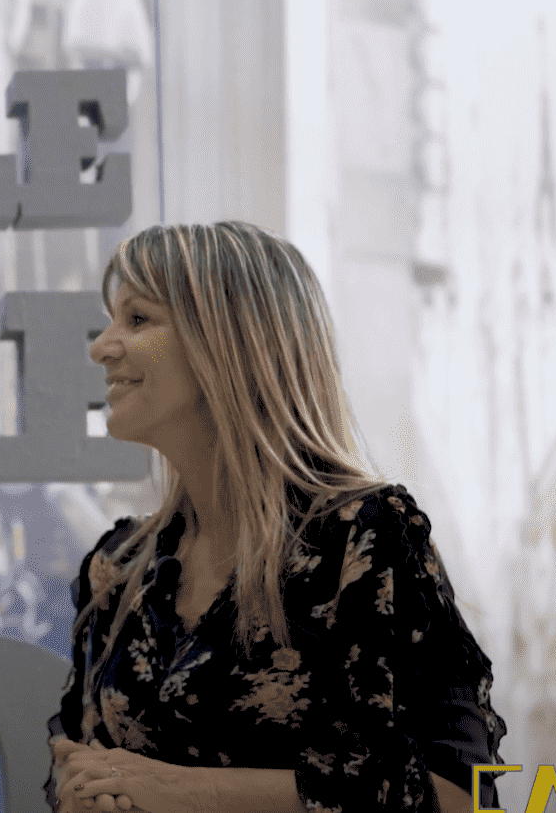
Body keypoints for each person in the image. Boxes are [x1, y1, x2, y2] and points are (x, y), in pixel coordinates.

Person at [43, 222, 506, 813]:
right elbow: (77, 772)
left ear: (229, 342)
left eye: (137, 319)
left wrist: (180, 792)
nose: (101, 347)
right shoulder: (117, 568)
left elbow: (464, 795)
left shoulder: (364, 541)